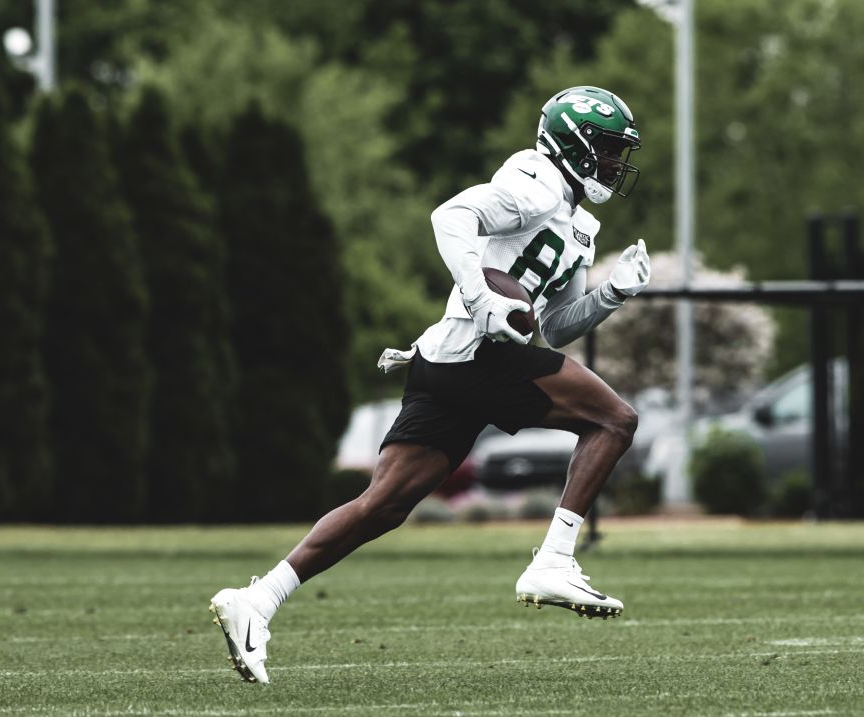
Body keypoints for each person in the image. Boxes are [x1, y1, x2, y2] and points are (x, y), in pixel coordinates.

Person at [208, 86, 651, 684]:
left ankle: (256, 600)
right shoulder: (536, 181)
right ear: (572, 143)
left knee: (380, 506)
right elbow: (451, 216)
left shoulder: (580, 224)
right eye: (606, 150)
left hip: (448, 362)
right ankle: (553, 559)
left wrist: (610, 295)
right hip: (477, 354)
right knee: (614, 420)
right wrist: (481, 297)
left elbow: (552, 325)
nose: (613, 166)